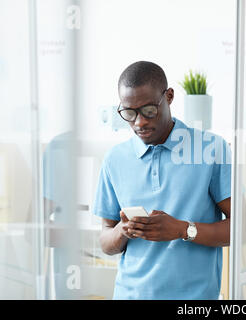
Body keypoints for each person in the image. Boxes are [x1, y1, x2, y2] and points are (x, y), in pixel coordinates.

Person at [92, 61, 231, 300]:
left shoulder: (212, 149)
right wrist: (123, 230)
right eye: (129, 113)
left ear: (169, 96)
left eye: (148, 110)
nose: (139, 122)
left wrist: (181, 229)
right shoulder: (115, 159)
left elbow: (240, 230)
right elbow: (106, 241)